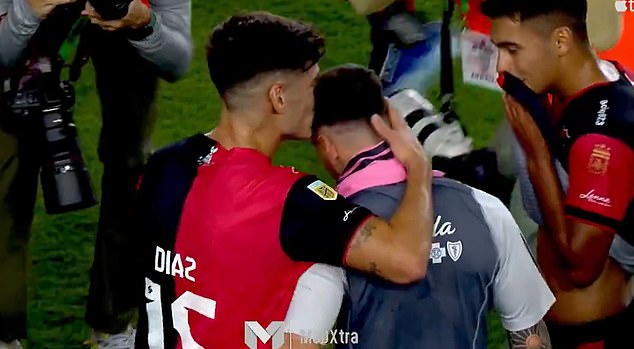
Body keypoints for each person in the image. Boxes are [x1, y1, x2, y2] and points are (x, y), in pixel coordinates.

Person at [133, 12, 434, 348]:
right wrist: (418, 165)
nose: (318, 100)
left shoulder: (162, 166)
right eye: (312, 86)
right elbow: (406, 260)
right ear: (278, 97)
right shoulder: (291, 201)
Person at [289, 64, 553, 348]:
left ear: (327, 146)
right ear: (393, 126)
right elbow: (530, 336)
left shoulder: (331, 229)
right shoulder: (485, 208)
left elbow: (299, 343)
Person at [0, 0, 192, 347]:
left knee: (132, 163)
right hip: (20, 35)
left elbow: (177, 62)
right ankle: (4, 332)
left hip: (125, 32)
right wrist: (26, 14)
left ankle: (113, 326)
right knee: (7, 171)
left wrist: (145, 24)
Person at [481, 0, 634, 347]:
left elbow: (581, 269)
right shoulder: (578, 90)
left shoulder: (604, 135)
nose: (502, 66)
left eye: (512, 49)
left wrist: (537, 155)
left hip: (593, 335)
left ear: (561, 42)